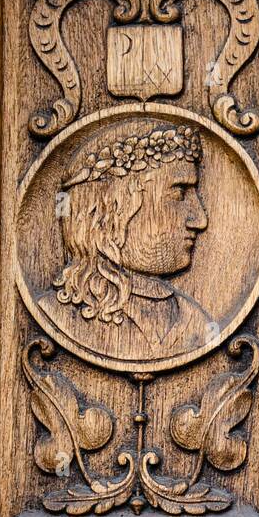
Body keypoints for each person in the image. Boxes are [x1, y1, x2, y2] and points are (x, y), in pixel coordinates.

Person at [39, 120, 214, 362]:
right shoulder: (57, 316)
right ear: (114, 207)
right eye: (179, 193)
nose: (200, 219)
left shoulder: (197, 322)